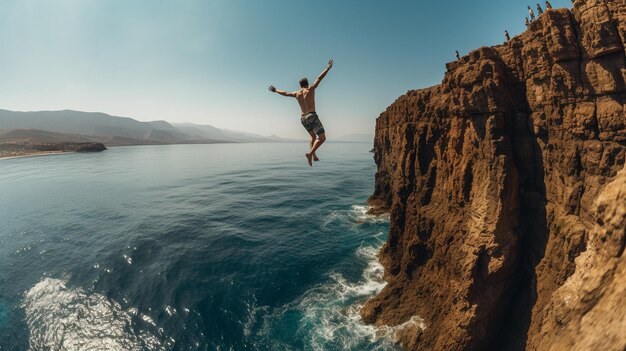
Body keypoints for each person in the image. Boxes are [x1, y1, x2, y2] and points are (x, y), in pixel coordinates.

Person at [268, 59, 334, 166]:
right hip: (312, 116)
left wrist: (275, 90)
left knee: (312, 137)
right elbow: (319, 78)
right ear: (307, 84)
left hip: (303, 119)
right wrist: (328, 68)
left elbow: (285, 93)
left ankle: (313, 155)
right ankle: (310, 153)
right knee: (322, 138)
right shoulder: (310, 89)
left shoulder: (296, 93)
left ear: (300, 85)